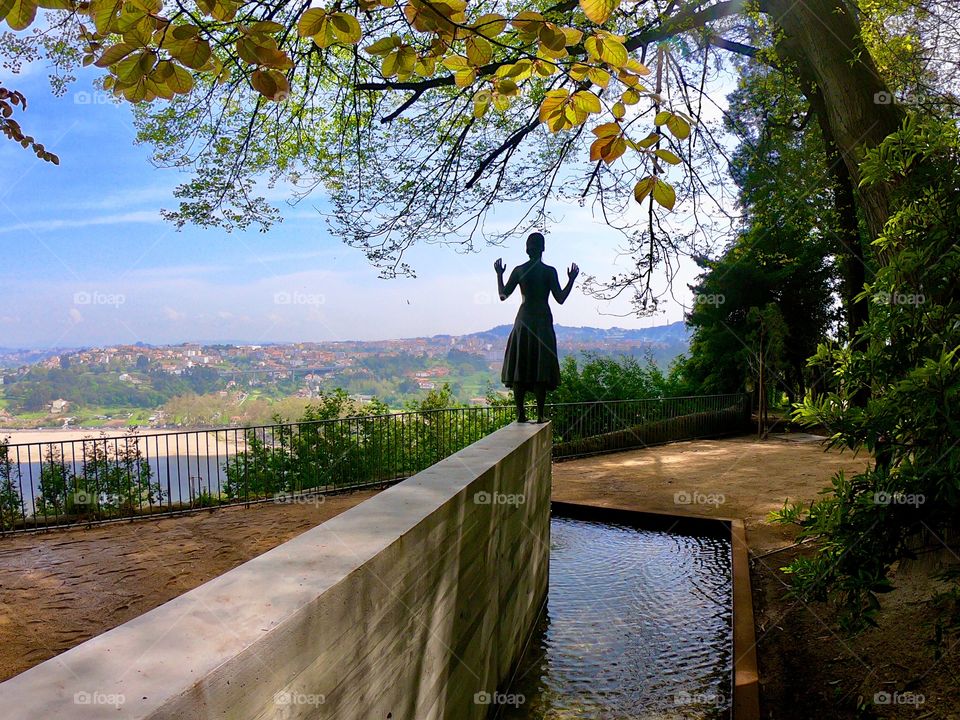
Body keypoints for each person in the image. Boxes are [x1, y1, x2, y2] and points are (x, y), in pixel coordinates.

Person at [495, 232, 579, 423]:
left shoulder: (518, 270)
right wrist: (572, 279)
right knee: (540, 366)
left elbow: (502, 295)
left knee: (520, 366)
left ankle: (520, 414)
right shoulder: (549, 271)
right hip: (542, 321)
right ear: (542, 248)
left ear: (527, 249)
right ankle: (540, 414)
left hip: (523, 321)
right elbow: (560, 298)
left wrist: (499, 275)